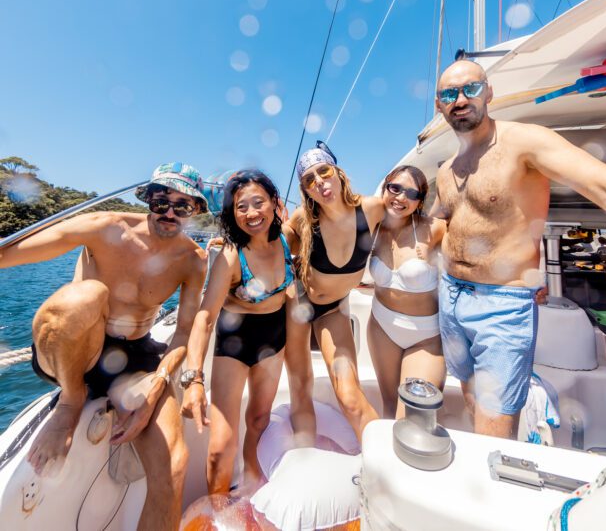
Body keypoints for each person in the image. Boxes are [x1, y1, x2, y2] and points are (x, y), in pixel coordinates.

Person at [432, 59, 606, 439]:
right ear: (440, 106)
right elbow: (439, 222)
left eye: (471, 88)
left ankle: (491, 489)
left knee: (493, 426)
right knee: (469, 395)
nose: (461, 99)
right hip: (451, 294)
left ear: (489, 92)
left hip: (501, 303)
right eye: (450, 94)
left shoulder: (525, 142)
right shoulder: (447, 168)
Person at [0, 162, 208, 531]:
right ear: (147, 199)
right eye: (162, 201)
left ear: (195, 210)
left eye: (183, 206)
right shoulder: (105, 226)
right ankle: (71, 400)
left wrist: (159, 381)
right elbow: (9, 254)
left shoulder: (192, 260)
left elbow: (184, 331)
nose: (170, 213)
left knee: (174, 464)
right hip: (77, 347)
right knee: (87, 295)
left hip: (137, 357)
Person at [181, 170, 295, 494]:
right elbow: (204, 319)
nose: (251, 213)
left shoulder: (289, 238)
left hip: (274, 340)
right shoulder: (231, 256)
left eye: (258, 203)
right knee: (220, 446)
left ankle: (251, 493)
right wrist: (193, 380)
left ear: (275, 203)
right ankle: (217, 514)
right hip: (235, 342)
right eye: (240, 207)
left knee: (259, 422)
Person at [283, 143, 384, 443]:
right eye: (309, 180)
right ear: (305, 190)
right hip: (297, 305)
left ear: (338, 172)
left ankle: (383, 465)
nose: (320, 182)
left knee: (350, 395)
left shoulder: (372, 209)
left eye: (324, 172)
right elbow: (269, 244)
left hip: (333, 310)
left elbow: (414, 229)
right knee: (300, 389)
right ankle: (305, 460)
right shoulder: (303, 218)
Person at [367, 165, 446, 418]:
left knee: (414, 416)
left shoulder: (434, 228)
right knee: (389, 409)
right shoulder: (373, 227)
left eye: (411, 194)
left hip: (426, 336)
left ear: (420, 201)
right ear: (385, 187)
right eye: (395, 188)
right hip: (382, 326)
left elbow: (473, 252)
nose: (401, 198)